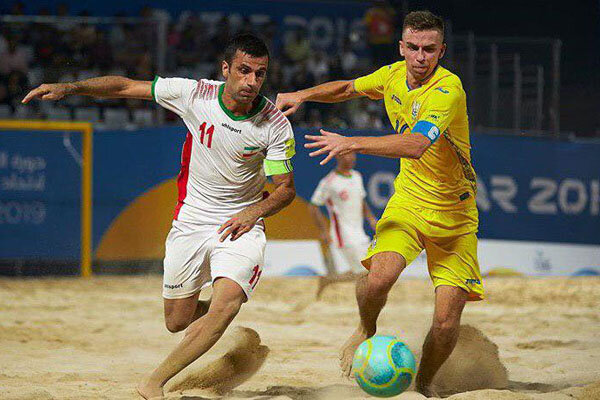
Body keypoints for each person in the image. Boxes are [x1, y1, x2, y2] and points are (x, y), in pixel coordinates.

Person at [23, 33, 296, 399]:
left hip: (241, 225)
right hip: (192, 220)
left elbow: (285, 190)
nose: (251, 81)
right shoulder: (195, 94)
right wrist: (70, 87)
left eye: (259, 74)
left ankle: (155, 382)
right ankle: (213, 314)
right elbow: (125, 87)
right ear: (225, 69)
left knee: (226, 305)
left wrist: (252, 213)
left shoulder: (275, 125)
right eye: (244, 71)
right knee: (176, 321)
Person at [276, 11, 483, 396]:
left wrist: (351, 141)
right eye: (414, 48)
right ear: (402, 47)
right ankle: (366, 327)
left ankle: (422, 385)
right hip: (409, 201)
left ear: (442, 51)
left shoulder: (447, 89)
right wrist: (302, 95)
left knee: (444, 324)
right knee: (378, 279)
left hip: (456, 215)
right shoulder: (390, 76)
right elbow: (346, 89)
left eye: (430, 49)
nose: (421, 57)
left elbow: (417, 145)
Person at [309, 152, 377, 298]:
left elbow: (362, 200)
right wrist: (324, 231)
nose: (352, 159)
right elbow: (313, 206)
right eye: (348, 156)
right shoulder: (329, 182)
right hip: (343, 233)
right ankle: (364, 301)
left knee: (364, 270)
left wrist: (371, 218)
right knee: (365, 271)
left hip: (359, 232)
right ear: (338, 157)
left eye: (353, 155)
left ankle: (329, 280)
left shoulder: (357, 176)